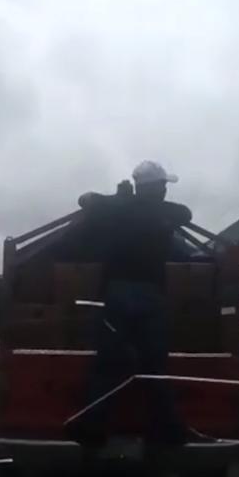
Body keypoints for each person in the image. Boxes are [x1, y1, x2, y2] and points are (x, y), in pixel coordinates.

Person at [67, 160, 196, 448]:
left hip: (116, 295)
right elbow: (185, 213)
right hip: (151, 297)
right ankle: (167, 433)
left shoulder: (116, 208)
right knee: (154, 367)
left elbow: (85, 200)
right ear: (156, 188)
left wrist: (119, 200)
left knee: (108, 366)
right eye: (163, 185)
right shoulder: (164, 212)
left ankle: (92, 430)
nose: (165, 190)